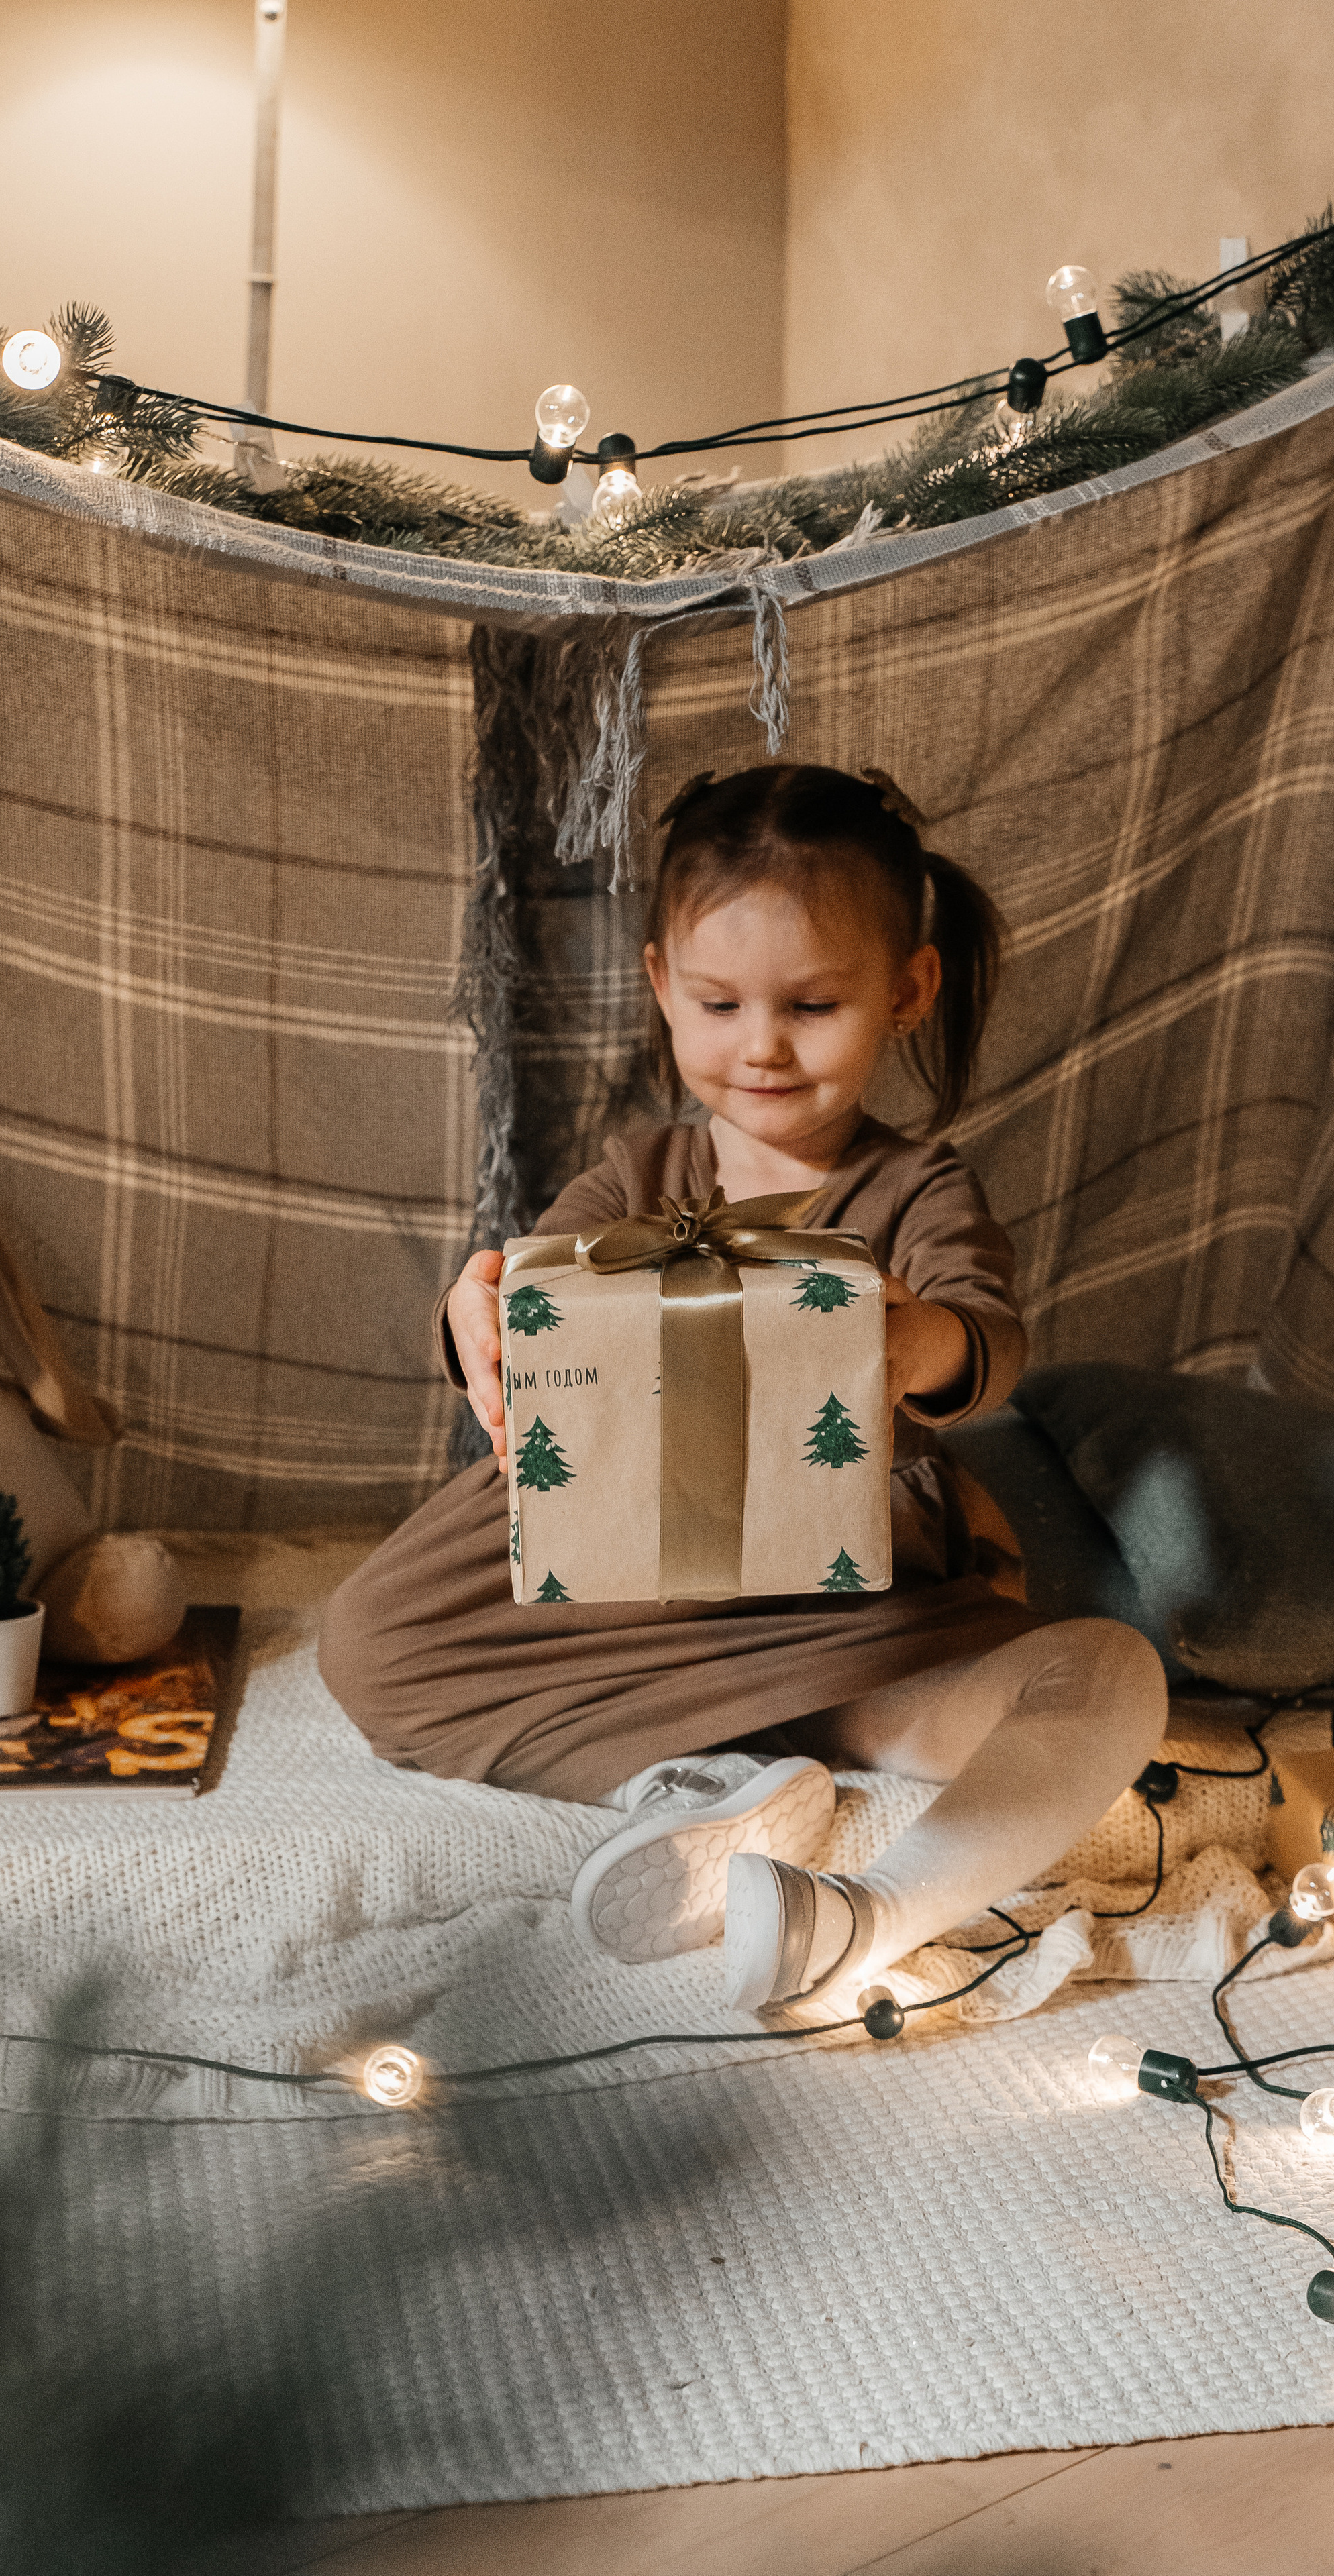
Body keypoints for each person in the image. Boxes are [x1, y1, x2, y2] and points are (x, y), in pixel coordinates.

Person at [319, 764, 1166, 2011]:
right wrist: (475, 1319)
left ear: (905, 993)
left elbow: (988, 1339)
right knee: (365, 1645)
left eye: (812, 1005)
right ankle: (692, 1783)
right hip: (639, 1580)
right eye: (719, 1003)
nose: (761, 1044)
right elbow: (525, 1300)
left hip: (845, 1600)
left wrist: (911, 1340)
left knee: (1112, 1677)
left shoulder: (916, 1189)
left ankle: (864, 1915)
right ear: (663, 983)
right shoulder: (637, 1172)